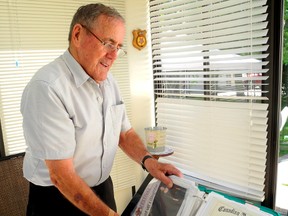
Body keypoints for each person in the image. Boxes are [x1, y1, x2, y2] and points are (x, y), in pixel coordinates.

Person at [20, 3, 182, 216]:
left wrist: (149, 162)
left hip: (102, 187)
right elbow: (61, 176)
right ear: (77, 34)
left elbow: (124, 133)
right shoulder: (47, 88)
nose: (113, 55)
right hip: (58, 199)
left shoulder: (108, 82)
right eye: (107, 43)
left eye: (118, 47)